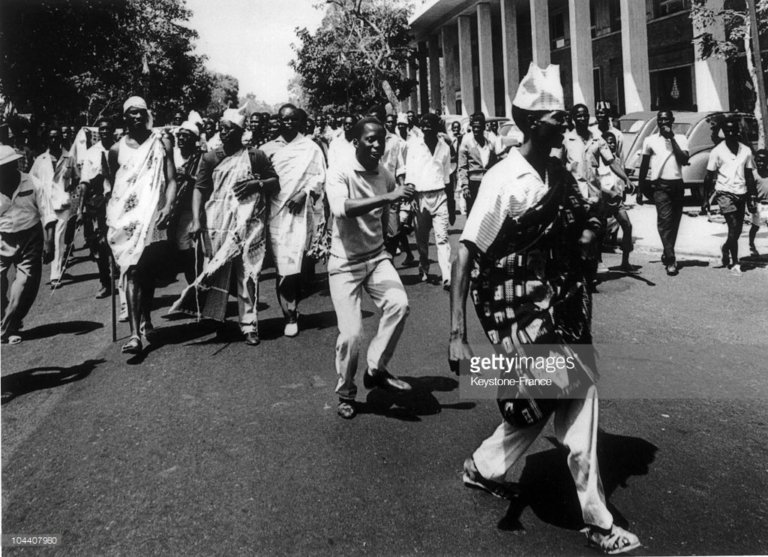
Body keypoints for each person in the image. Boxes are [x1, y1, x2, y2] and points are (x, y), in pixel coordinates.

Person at [448, 62, 641, 555]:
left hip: (562, 305)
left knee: (557, 396)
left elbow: (585, 216)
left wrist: (593, 229)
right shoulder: (503, 178)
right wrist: (457, 331)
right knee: (567, 396)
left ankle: (484, 466)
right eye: (558, 117)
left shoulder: (558, 170)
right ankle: (597, 519)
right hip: (518, 310)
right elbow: (467, 251)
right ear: (534, 123)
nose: (567, 124)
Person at [325, 117, 415, 419]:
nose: (377, 145)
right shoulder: (339, 170)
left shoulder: (385, 174)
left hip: (377, 257)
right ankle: (346, 392)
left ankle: (376, 368)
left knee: (399, 304)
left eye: (382, 139)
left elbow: (388, 209)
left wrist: (394, 232)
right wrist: (389, 196)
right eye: (370, 140)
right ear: (356, 142)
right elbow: (342, 208)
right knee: (351, 335)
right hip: (345, 263)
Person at [170, 108, 278, 346]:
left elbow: (274, 182)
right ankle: (215, 318)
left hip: (248, 226)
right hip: (217, 225)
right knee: (215, 269)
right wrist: (198, 220)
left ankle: (249, 324)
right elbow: (200, 189)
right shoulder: (210, 158)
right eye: (221, 126)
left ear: (240, 131)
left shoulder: (255, 156)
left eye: (228, 128)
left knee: (247, 273)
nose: (222, 131)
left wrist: (256, 183)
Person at [106, 96, 177, 355]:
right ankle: (135, 334)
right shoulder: (116, 150)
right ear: (124, 117)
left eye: (140, 112)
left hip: (152, 217)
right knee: (132, 270)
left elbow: (171, 179)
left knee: (146, 272)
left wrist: (167, 206)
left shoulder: (162, 142)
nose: (136, 117)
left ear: (147, 114)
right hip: (125, 220)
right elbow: (115, 187)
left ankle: (146, 318)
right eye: (131, 113)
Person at [261, 104, 325, 337]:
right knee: (283, 265)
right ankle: (290, 313)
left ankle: (293, 305)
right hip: (275, 213)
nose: (287, 123)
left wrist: (304, 192)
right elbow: (260, 181)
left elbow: (320, 176)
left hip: (301, 213)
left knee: (299, 263)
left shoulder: (311, 148)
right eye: (283, 119)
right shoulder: (267, 149)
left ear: (300, 121)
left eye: (292, 119)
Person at [0, 146, 56, 344]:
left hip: (30, 237)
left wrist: (50, 242)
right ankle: (5, 320)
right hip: (2, 237)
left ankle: (9, 327)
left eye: (7, 166)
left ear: (15, 164)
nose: (4, 170)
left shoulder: (32, 182)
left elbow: (48, 213)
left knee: (23, 286)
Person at [638, 110, 690, 276]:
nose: (663, 122)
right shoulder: (650, 140)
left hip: (677, 185)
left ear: (672, 120)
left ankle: (668, 250)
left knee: (674, 222)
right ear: (657, 122)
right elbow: (644, 166)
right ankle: (671, 259)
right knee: (664, 221)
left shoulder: (681, 138)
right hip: (660, 186)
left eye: (667, 119)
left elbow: (684, 160)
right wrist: (640, 189)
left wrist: (672, 138)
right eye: (660, 120)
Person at [405, 113, 453, 288]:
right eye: (423, 125)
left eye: (429, 125)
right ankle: (423, 266)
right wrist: (411, 199)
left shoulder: (444, 147)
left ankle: (447, 276)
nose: (426, 128)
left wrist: (452, 201)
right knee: (422, 239)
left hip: (440, 195)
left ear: (436, 127)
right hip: (421, 197)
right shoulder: (414, 146)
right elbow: (410, 173)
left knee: (442, 238)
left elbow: (447, 177)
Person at [704, 118, 755, 276]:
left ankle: (726, 248)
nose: (731, 134)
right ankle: (735, 262)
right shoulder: (717, 152)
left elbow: (749, 174)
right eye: (727, 131)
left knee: (737, 230)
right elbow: (709, 176)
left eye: (733, 131)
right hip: (724, 193)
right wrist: (705, 199)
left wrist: (752, 196)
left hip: (741, 192)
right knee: (733, 226)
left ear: (738, 131)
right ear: (723, 133)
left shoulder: (746, 150)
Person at [29, 126, 79, 286]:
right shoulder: (40, 160)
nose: (54, 140)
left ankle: (55, 274)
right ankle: (53, 266)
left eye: (57, 137)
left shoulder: (69, 158)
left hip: (62, 204)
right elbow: (32, 181)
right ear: (47, 140)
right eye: (51, 137)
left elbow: (76, 178)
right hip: (45, 206)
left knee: (59, 238)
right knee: (47, 239)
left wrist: (71, 191)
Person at [79, 117, 116, 298]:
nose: (104, 132)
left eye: (108, 128)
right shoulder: (91, 153)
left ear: (113, 131)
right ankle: (105, 282)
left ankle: (125, 281)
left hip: (119, 200)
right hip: (98, 203)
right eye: (101, 129)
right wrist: (79, 209)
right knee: (99, 244)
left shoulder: (121, 149)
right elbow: (84, 182)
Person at [169, 121, 204, 283]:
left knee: (191, 251)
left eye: (186, 136)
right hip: (172, 208)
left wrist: (189, 177)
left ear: (194, 139)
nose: (181, 139)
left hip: (191, 209)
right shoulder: (171, 155)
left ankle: (196, 287)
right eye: (179, 135)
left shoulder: (201, 157)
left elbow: (206, 182)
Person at [599, 131, 634, 271]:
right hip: (603, 199)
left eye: (613, 142)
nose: (611, 145)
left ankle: (625, 261)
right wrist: (609, 193)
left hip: (617, 200)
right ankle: (598, 261)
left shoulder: (617, 161)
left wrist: (627, 187)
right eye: (608, 142)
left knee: (628, 226)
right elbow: (595, 183)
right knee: (599, 231)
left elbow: (620, 182)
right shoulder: (598, 161)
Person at [458, 112, 498, 215]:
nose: (476, 130)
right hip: (473, 184)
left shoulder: (490, 145)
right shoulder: (467, 144)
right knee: (473, 214)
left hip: (488, 183)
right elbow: (462, 167)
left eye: (479, 127)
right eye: (474, 127)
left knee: (487, 214)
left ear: (484, 127)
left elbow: (494, 166)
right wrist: (465, 186)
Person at [748, 149, 768, 256]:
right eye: (758, 161)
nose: (761, 163)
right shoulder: (753, 174)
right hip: (758, 204)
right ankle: (751, 244)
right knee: (755, 226)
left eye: (763, 161)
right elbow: (750, 190)